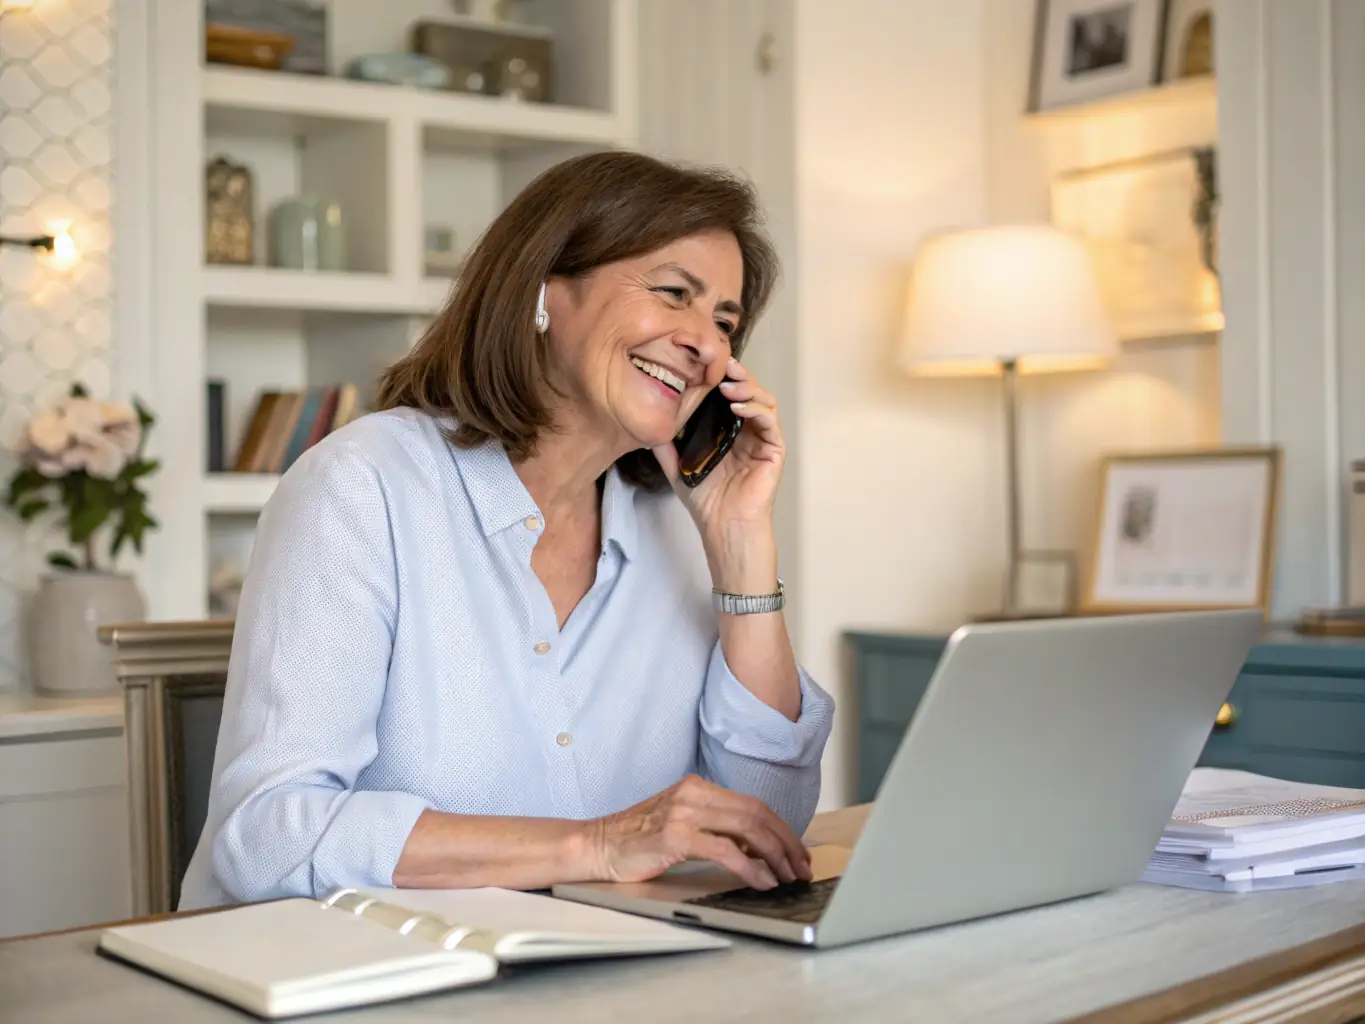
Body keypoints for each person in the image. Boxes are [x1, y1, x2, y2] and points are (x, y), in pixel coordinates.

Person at [178, 150, 834, 911]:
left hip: (588, 970)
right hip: (355, 979)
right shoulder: (361, 487)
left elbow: (763, 832)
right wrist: (595, 844)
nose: (707, 345)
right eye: (671, 294)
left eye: (725, 322)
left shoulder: (678, 523)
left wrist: (740, 542)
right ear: (542, 293)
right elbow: (266, 835)